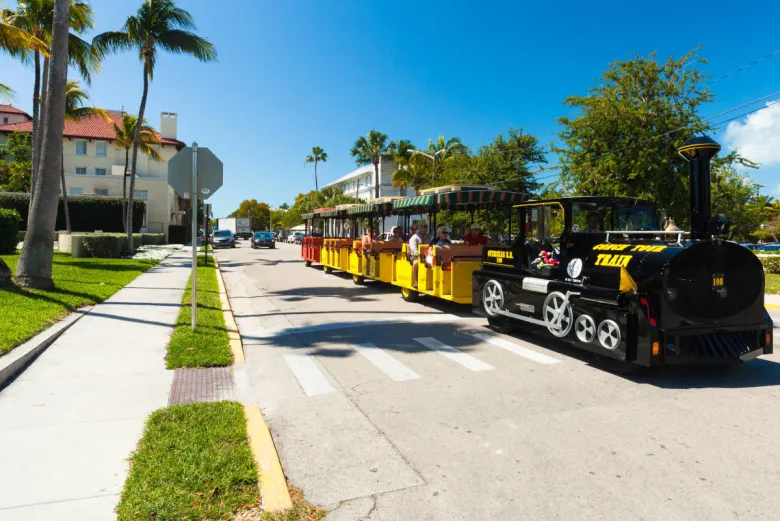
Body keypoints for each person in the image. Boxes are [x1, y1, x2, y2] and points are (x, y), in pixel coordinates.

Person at [409, 223, 430, 289]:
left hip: (427, 255)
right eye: (422, 227)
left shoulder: (429, 236)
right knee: (416, 263)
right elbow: (413, 248)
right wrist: (419, 255)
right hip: (415, 256)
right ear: (419, 228)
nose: (424, 229)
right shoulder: (414, 237)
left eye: (425, 227)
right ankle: (416, 281)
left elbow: (432, 245)